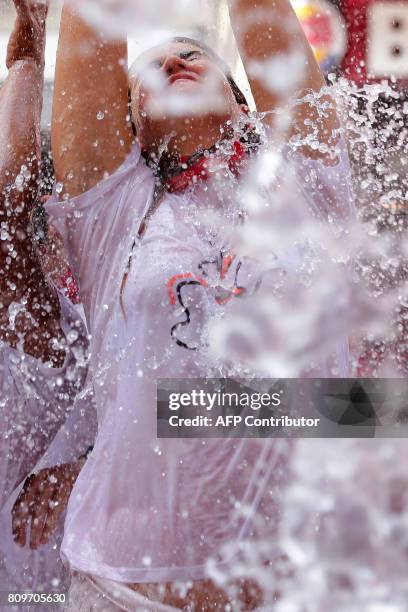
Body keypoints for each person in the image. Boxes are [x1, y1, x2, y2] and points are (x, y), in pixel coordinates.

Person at [24, 0, 353, 608]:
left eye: (193, 53)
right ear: (128, 128)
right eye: (147, 74)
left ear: (243, 97)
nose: (173, 59)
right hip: (125, 591)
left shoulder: (311, 184)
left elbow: (364, 416)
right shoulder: (113, 216)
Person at [0, 0, 88, 511]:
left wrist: (92, 469)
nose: (174, 67)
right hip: (60, 587)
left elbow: (369, 415)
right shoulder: (75, 339)